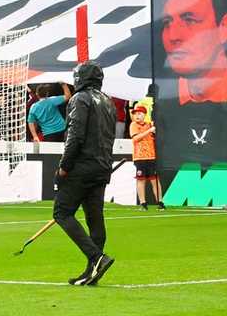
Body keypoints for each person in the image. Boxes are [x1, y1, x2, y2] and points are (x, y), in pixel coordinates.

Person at [53, 60, 116, 287]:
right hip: (102, 165)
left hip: (82, 166)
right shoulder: (107, 101)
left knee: (62, 212)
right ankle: (93, 270)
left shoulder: (80, 99)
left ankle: (96, 257)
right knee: (94, 216)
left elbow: (75, 136)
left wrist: (64, 166)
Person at [158, 0, 227, 105]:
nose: (173, 36)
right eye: (167, 22)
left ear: (224, 27)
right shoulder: (160, 95)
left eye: (189, 20)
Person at [128, 103, 163, 210]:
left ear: (144, 114)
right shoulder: (133, 125)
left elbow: (156, 136)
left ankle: (160, 202)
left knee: (155, 180)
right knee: (141, 180)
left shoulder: (150, 124)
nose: (137, 116)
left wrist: (153, 130)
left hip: (151, 156)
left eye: (139, 113)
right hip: (139, 158)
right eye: (135, 114)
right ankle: (143, 203)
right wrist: (149, 131)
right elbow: (135, 138)